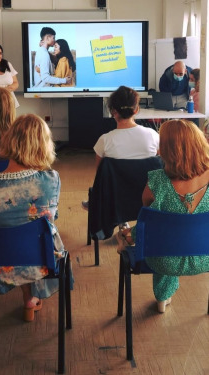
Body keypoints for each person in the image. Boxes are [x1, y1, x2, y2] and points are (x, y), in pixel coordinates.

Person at [0, 114, 67, 322]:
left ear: (9, 141)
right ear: (44, 146)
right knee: (39, 235)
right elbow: (51, 220)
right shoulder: (50, 180)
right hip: (38, 262)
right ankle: (30, 298)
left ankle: (28, 297)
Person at [117, 119, 209, 313]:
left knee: (162, 238)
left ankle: (162, 297)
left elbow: (148, 223)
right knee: (178, 234)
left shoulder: (156, 182)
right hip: (205, 256)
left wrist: (127, 235)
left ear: (166, 150)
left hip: (163, 260)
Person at [82, 86, 159, 211]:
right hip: (149, 200)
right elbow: (161, 167)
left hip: (114, 201)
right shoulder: (153, 135)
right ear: (137, 109)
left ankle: (121, 221)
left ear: (113, 111)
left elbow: (100, 177)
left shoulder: (104, 141)